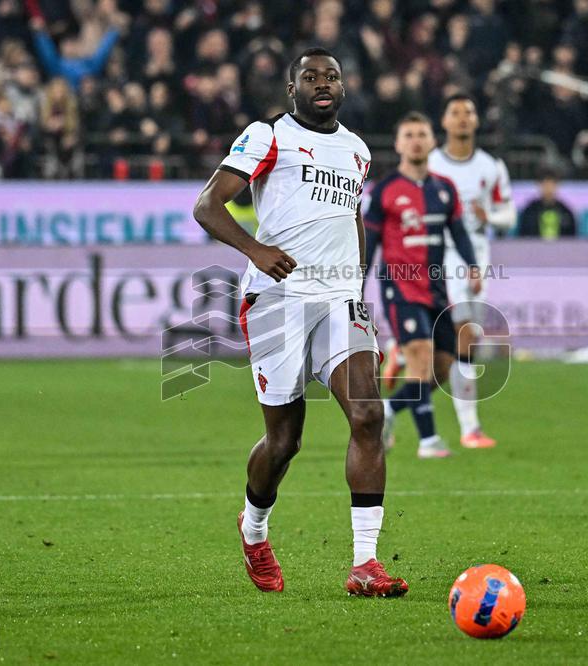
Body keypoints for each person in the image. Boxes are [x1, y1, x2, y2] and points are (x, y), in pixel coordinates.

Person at [192, 47, 407, 597]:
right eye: (309, 76)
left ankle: (366, 563)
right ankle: (255, 528)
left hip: (338, 300)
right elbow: (208, 206)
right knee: (283, 442)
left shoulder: (357, 150)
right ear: (293, 90)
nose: (322, 83)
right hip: (277, 300)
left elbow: (352, 220)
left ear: (344, 85)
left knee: (366, 414)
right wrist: (256, 250)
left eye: (331, 75)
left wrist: (357, 290)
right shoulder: (268, 136)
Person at [363, 111, 481, 459]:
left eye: (422, 134)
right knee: (421, 360)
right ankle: (429, 441)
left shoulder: (444, 189)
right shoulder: (384, 190)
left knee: (442, 368)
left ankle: (386, 410)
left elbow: (457, 232)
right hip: (399, 288)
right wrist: (357, 286)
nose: (416, 140)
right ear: (399, 143)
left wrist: (472, 266)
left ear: (433, 141)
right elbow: (370, 243)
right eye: (409, 134)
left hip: (435, 289)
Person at [426, 93, 514, 449]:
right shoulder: (430, 163)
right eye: (455, 112)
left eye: (469, 112)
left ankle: (391, 406)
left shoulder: (491, 167)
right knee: (463, 335)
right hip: (438, 257)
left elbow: (508, 215)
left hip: (477, 258)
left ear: (477, 121)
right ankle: (470, 428)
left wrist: (488, 217)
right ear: (444, 122)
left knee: (452, 348)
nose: (463, 118)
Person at [518, 168, 576, 239]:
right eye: (545, 184)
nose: (548, 188)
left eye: (551, 184)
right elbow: (523, 237)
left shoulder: (566, 212)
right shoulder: (529, 211)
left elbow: (572, 239)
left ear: (557, 185)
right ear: (539, 185)